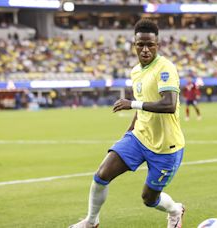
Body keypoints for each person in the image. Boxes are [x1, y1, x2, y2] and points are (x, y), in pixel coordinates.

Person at [69, 19, 185, 228]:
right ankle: (91, 221)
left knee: (149, 198)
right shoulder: (135, 71)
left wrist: (131, 104)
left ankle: (175, 210)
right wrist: (129, 131)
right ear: (134, 45)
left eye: (150, 45)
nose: (146, 49)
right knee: (101, 174)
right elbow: (142, 102)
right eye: (141, 44)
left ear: (157, 45)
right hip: (139, 137)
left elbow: (168, 104)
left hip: (167, 147)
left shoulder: (165, 68)